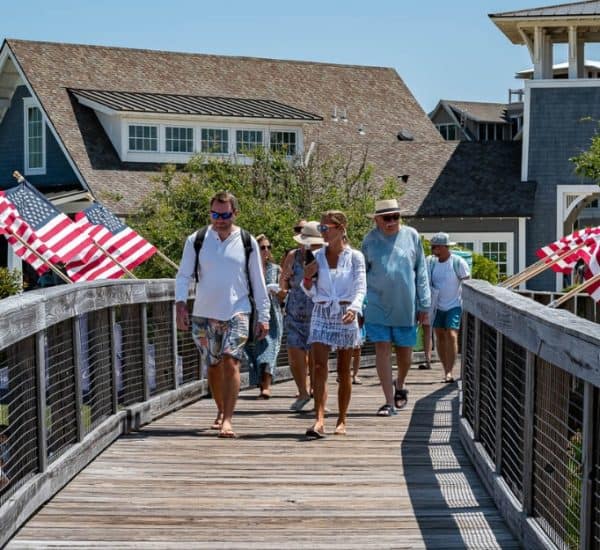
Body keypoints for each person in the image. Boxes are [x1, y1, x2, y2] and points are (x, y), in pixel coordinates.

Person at [175, 191, 270, 439]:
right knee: (213, 366)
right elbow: (184, 275)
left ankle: (228, 419)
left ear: (234, 213)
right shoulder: (196, 240)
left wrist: (264, 315)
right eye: (215, 214)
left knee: (231, 361)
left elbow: (258, 282)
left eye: (225, 214)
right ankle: (220, 409)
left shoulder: (247, 241)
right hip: (204, 313)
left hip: (237, 311)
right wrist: (180, 304)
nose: (220, 219)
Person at [361, 199, 430, 417]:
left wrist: (424, 303)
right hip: (376, 303)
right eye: (387, 218)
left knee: (405, 354)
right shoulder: (369, 241)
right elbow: (361, 275)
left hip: (405, 304)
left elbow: (422, 272)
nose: (392, 221)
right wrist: (359, 305)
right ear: (377, 220)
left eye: (396, 217)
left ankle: (400, 383)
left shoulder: (412, 236)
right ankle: (389, 401)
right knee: (382, 347)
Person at [302, 210, 366, 438]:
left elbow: (361, 286)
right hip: (322, 311)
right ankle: (319, 419)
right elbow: (308, 291)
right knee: (318, 366)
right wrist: (308, 278)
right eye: (321, 229)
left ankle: (342, 419)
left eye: (326, 228)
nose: (323, 233)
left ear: (341, 229)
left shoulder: (355, 257)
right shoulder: (317, 257)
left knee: (343, 370)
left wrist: (354, 308)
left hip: (345, 312)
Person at [280, 221, 324, 411]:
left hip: (318, 314)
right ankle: (302, 392)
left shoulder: (325, 258)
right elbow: (283, 284)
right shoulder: (293, 256)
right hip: (295, 312)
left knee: (317, 359)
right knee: (295, 354)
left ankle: (317, 395)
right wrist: (284, 281)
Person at [428, 232, 470, 383]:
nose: (432, 249)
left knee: (452, 334)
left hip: (454, 304)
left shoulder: (458, 262)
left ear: (444, 247)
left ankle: (450, 371)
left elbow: (468, 283)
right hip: (436, 305)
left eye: (435, 247)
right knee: (439, 335)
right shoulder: (431, 262)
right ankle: (445, 368)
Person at [247, 234, 284, 399]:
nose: (266, 250)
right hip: (251, 313)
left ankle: (266, 386)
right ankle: (261, 383)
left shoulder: (276, 269)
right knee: (253, 350)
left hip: (273, 315)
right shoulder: (247, 269)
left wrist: (278, 291)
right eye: (262, 247)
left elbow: (285, 293)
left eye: (269, 247)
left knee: (270, 349)